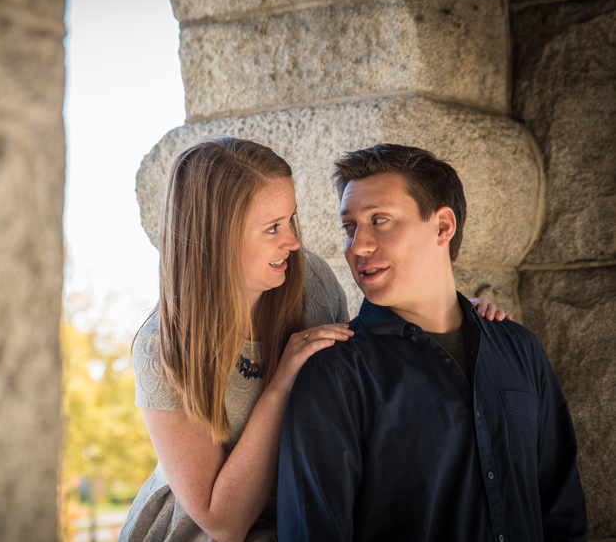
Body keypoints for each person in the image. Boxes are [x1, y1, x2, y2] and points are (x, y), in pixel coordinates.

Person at [119, 137, 507, 542]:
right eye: (272, 229)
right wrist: (282, 384)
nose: (293, 241)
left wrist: (455, 319)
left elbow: (366, 361)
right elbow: (222, 522)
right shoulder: (161, 347)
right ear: (216, 237)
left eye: (291, 220)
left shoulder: (310, 281)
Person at [277, 144, 587, 542]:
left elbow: (563, 515)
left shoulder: (520, 349)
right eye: (349, 227)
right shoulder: (334, 374)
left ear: (443, 227)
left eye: (380, 220)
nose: (358, 247)